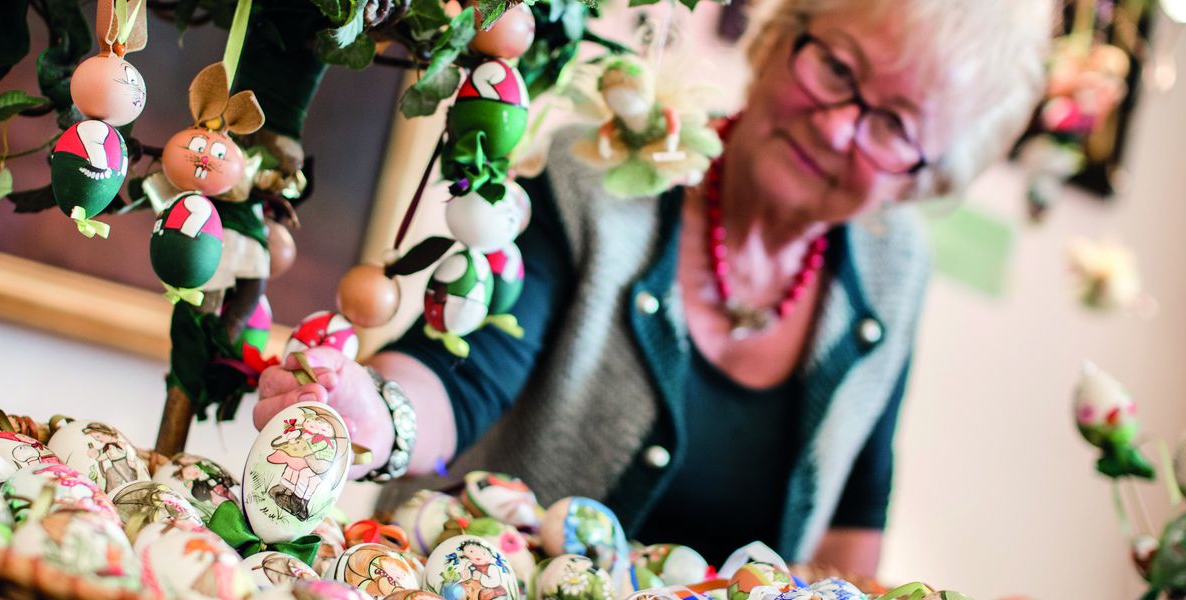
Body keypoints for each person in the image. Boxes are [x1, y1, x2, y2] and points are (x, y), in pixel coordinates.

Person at [253, 0, 1051, 575]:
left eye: (896, 125)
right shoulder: (597, 182)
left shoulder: (894, 272)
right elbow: (462, 375)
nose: (840, 125)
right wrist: (374, 415)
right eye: (837, 68)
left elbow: (852, 529)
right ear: (781, 39)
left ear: (922, 179)